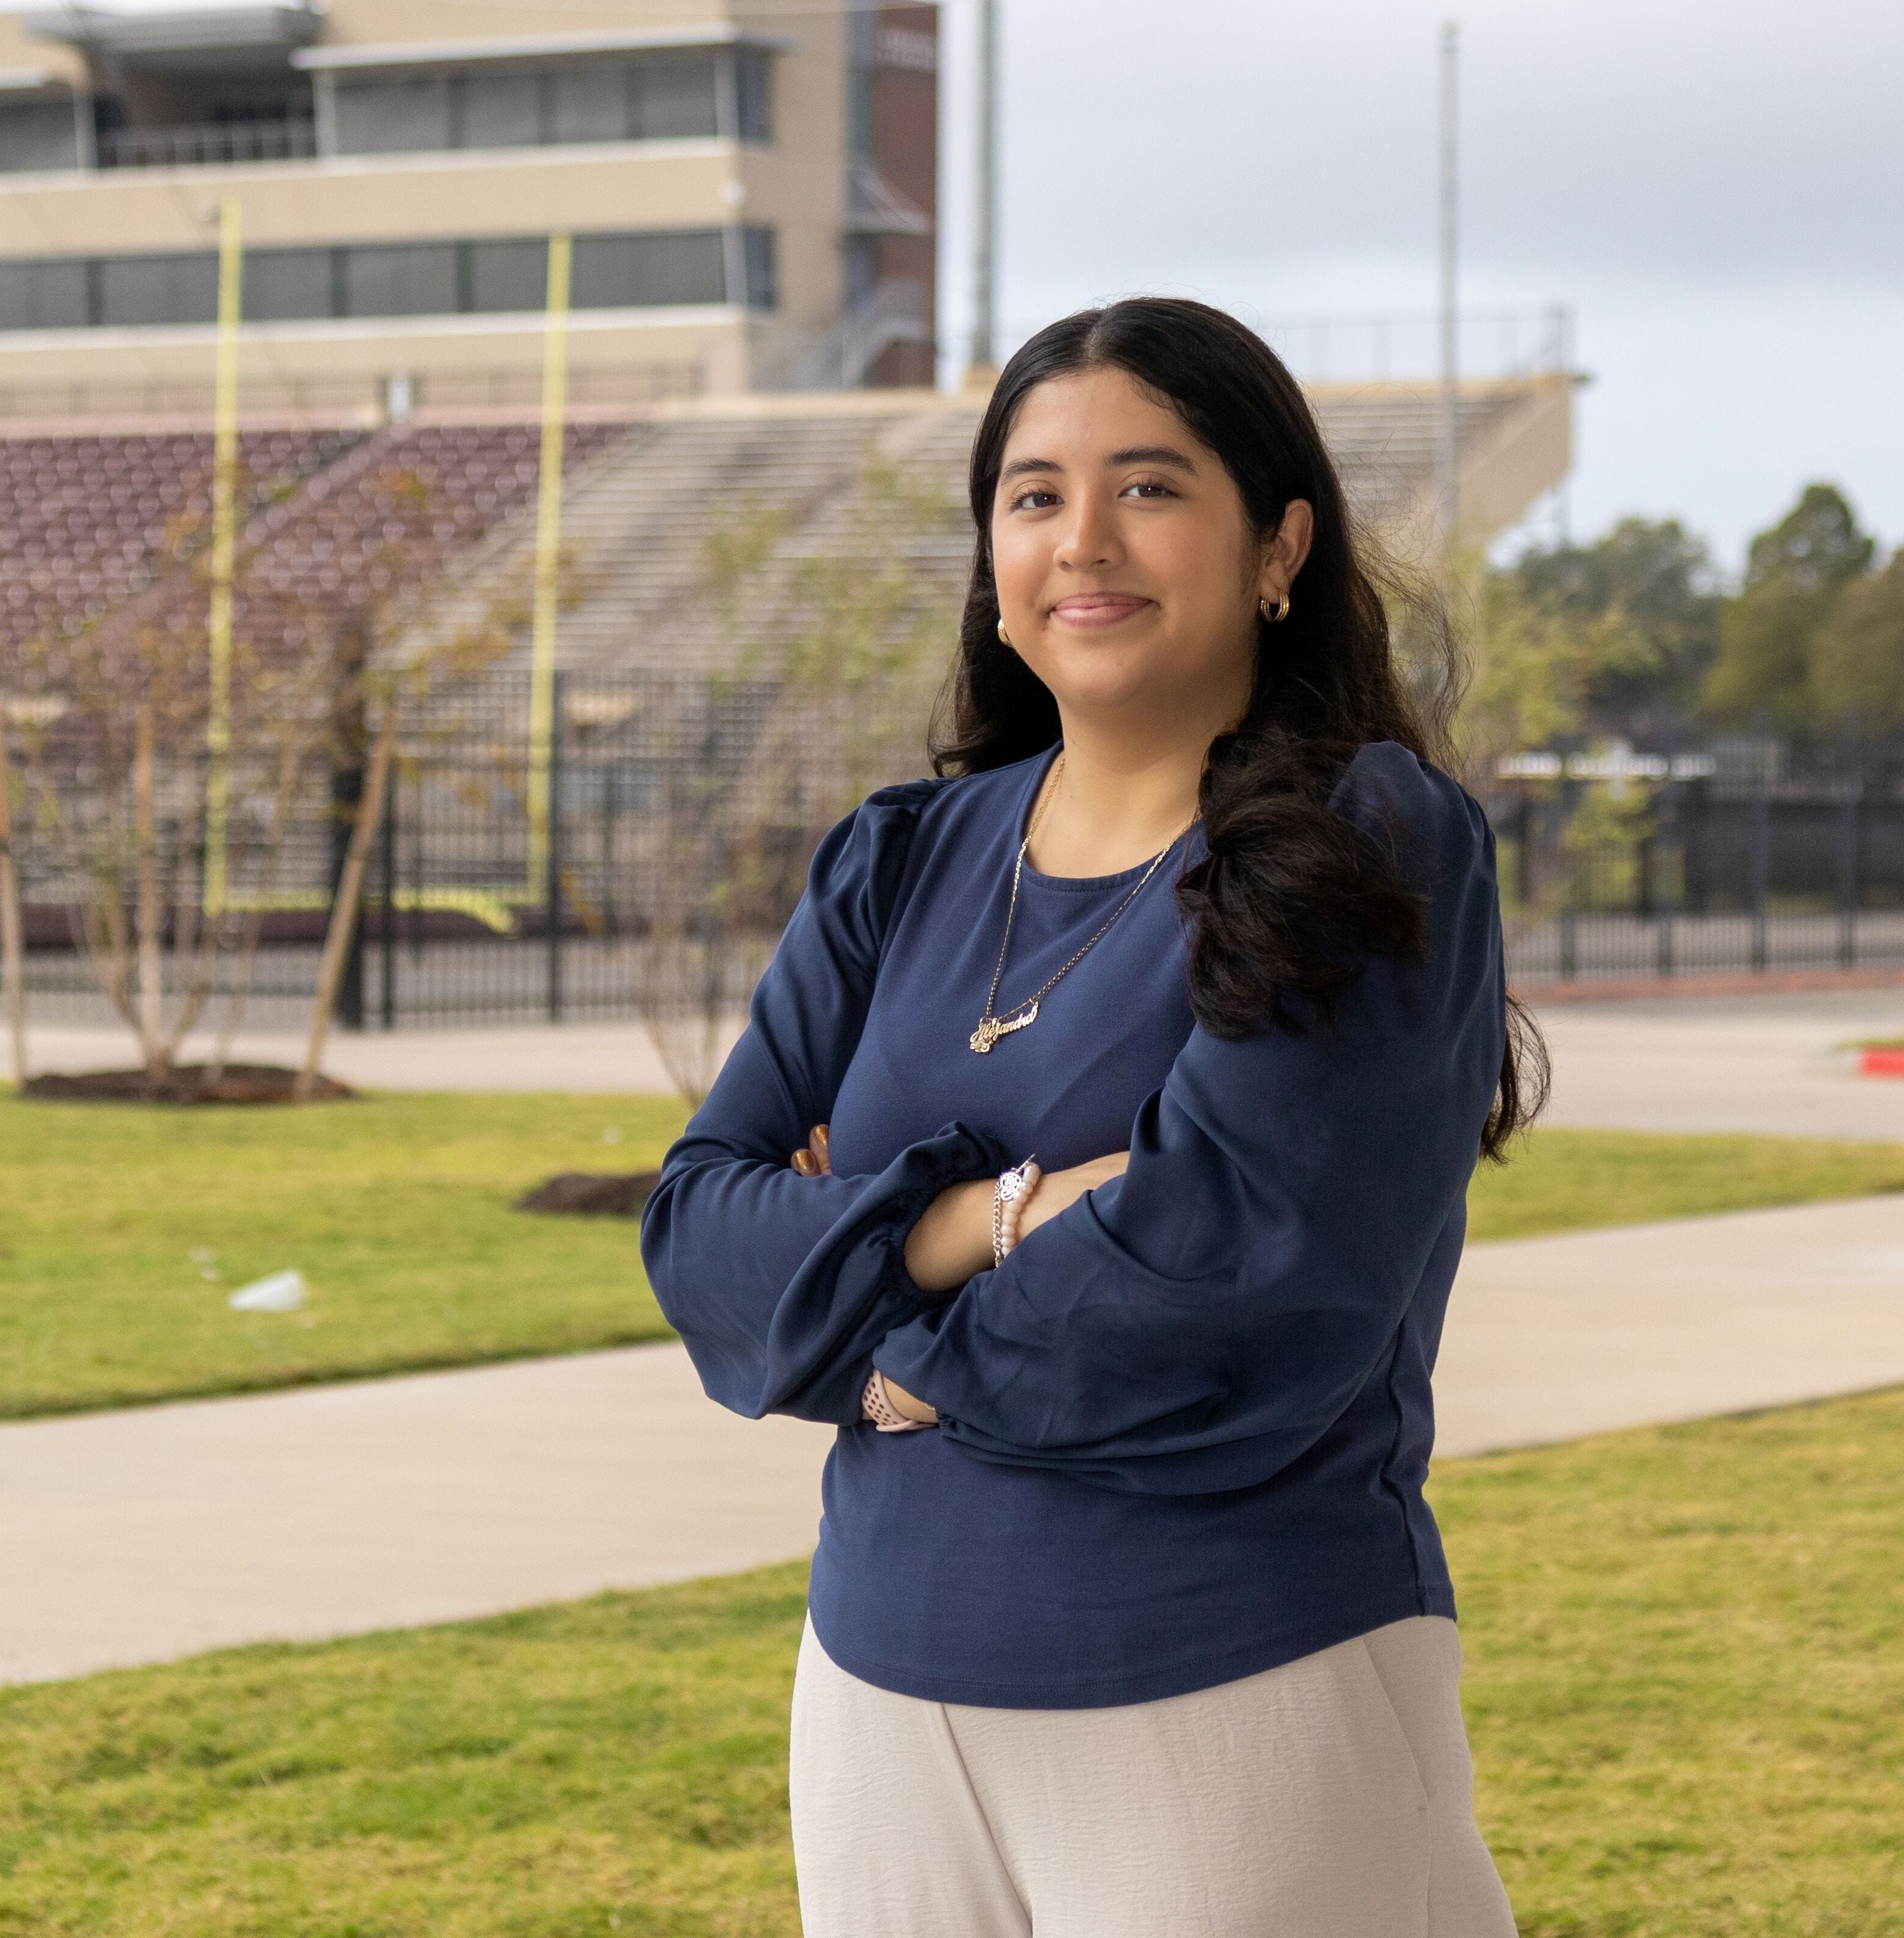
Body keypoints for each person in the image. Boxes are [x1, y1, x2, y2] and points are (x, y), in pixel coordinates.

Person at [641, 298, 1541, 1937]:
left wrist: (865, 1322)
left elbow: (1231, 1279)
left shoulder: (1372, 842)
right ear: (993, 555)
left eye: (1150, 486)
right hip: (876, 1695)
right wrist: (976, 1226)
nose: (1084, 541)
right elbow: (700, 1231)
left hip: (1236, 1687)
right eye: (1036, 495)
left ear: (1278, 545)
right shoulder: (898, 858)